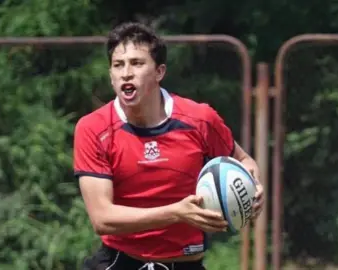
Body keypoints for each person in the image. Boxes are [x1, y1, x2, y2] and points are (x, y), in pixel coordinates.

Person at [73, 21, 264, 270]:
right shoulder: (93, 128)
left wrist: (252, 186)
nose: (126, 73)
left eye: (137, 63)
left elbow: (244, 162)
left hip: (186, 262)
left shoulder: (200, 119)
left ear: (159, 72)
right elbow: (103, 219)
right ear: (111, 76)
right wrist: (176, 212)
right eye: (118, 65)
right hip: (120, 262)